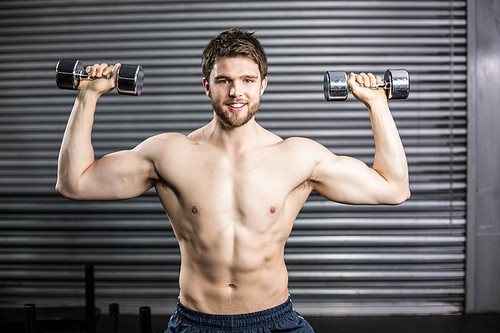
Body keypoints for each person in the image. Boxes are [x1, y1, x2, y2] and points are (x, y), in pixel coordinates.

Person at [56, 28, 410, 332]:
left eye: (247, 80)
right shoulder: (169, 153)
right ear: (207, 87)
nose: (236, 92)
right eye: (224, 80)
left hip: (275, 320)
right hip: (196, 323)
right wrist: (87, 96)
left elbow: (393, 189)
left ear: (263, 86)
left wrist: (377, 104)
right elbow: (76, 182)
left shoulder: (298, 156)